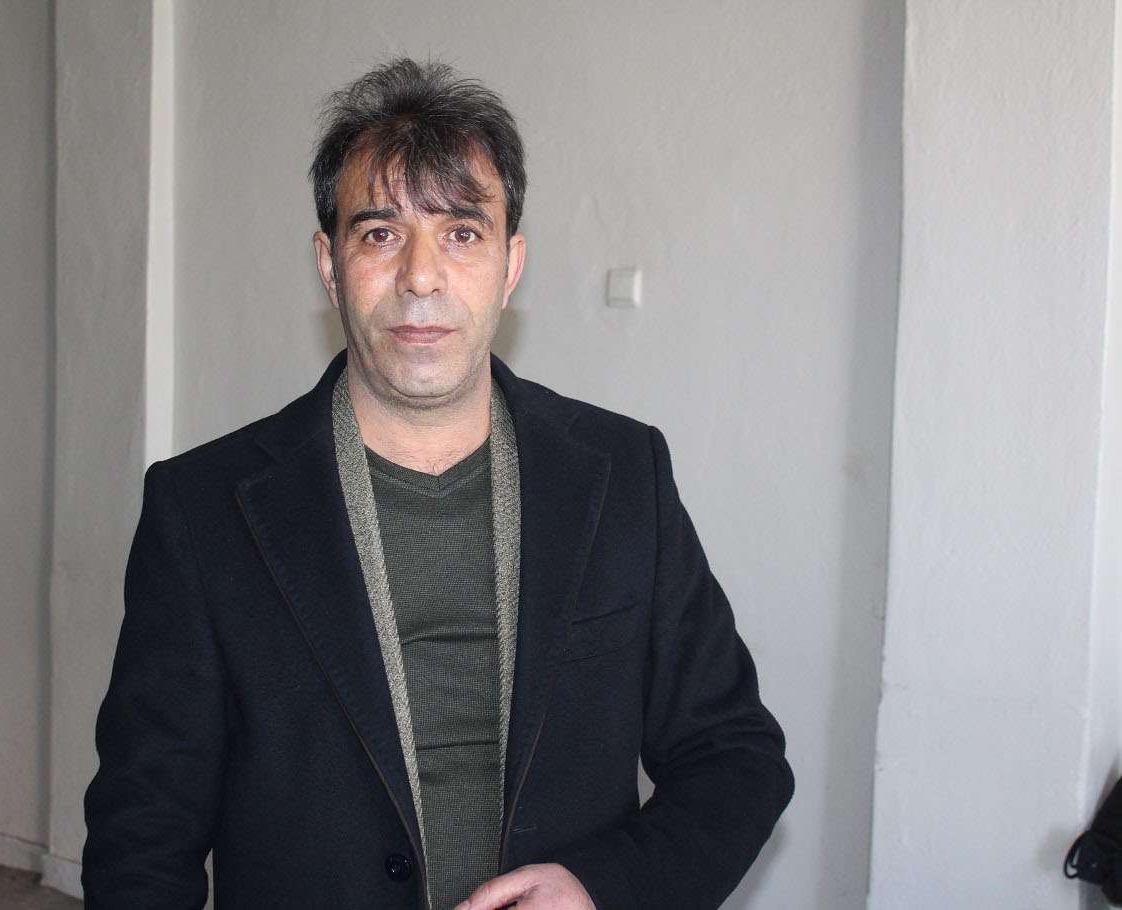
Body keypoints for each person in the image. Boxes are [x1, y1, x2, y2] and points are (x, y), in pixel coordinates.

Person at [81, 57, 793, 910]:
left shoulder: (621, 477)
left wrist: (604, 889)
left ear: (510, 265)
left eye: (461, 232)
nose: (421, 276)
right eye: (380, 233)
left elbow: (735, 756)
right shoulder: (203, 512)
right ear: (329, 264)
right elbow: (142, 837)